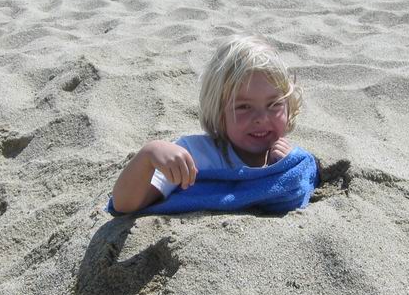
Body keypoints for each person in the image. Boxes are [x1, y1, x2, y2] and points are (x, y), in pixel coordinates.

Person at [110, 35, 306, 214]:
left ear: (289, 106)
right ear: (218, 113)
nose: (261, 118)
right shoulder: (195, 153)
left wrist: (284, 167)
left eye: (274, 104)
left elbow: (300, 188)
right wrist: (148, 155)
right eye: (244, 106)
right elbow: (125, 204)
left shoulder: (290, 157)